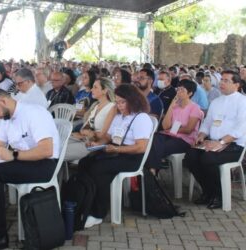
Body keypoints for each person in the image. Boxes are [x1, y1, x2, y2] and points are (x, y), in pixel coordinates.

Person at [0, 88, 60, 250]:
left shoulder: (34, 114)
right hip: (24, 161)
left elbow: (46, 150)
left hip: (44, 164)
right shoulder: (7, 117)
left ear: (3, 101)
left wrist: (13, 155)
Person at [77, 84, 153, 229]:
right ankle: (85, 203)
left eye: (123, 102)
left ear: (133, 100)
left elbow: (140, 147)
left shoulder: (141, 118)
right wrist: (97, 143)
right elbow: (108, 137)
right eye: (117, 102)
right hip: (116, 151)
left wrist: (117, 149)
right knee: (85, 163)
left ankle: (98, 213)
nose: (120, 106)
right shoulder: (120, 116)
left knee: (99, 169)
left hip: (132, 157)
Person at [184, 70, 246, 209]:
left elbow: (240, 128)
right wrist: (201, 135)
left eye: (226, 81)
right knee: (190, 156)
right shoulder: (216, 101)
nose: (221, 83)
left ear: (237, 85)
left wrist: (221, 142)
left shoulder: (243, 101)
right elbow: (207, 122)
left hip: (233, 145)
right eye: (221, 80)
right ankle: (207, 191)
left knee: (208, 158)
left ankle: (219, 195)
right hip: (213, 141)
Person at [146, 79, 203, 173]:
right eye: (178, 89)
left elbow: (188, 129)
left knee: (155, 146)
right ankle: (154, 168)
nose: (178, 92)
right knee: (153, 138)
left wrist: (172, 130)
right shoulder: (175, 106)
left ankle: (152, 170)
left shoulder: (195, 108)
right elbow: (165, 126)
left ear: (189, 94)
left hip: (185, 140)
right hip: (170, 135)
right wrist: (172, 106)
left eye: (182, 90)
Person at [65, 78, 115, 161]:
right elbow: (85, 128)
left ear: (105, 90)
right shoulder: (96, 106)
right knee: (56, 144)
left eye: (95, 87)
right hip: (85, 139)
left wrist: (89, 133)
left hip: (95, 144)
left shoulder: (112, 107)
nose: (91, 89)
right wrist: (84, 134)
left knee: (58, 151)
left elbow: (104, 135)